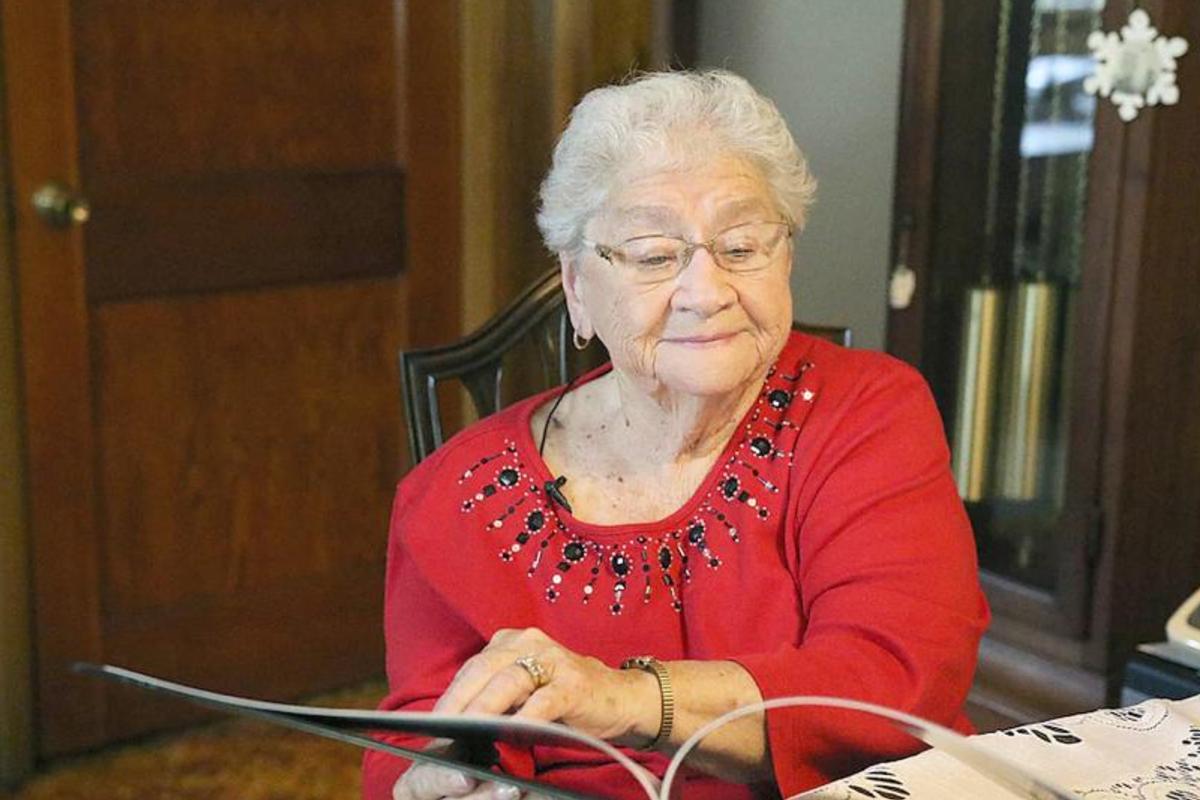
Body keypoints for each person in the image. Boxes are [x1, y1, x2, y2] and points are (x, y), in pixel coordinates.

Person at [362, 70, 989, 800]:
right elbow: (412, 734)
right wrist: (439, 779)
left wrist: (626, 699)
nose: (707, 291)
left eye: (742, 246)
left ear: (785, 258)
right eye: (655, 255)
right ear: (576, 286)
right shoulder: (455, 493)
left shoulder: (864, 414)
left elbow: (896, 683)